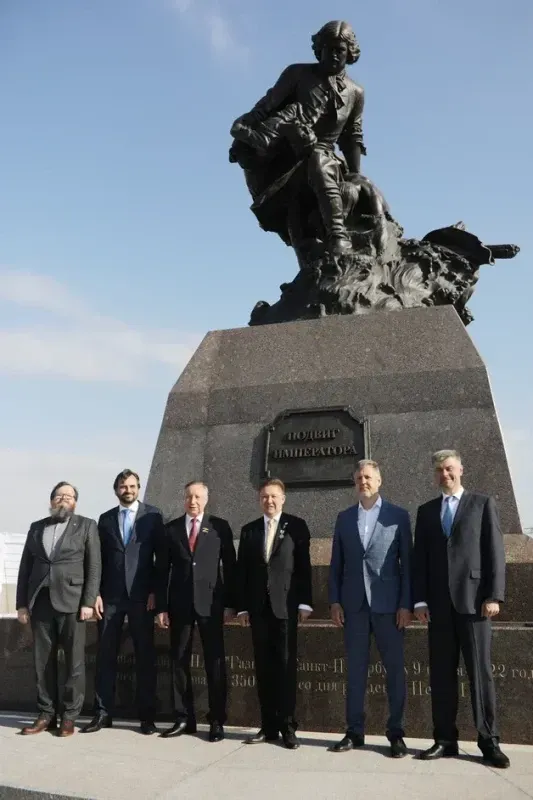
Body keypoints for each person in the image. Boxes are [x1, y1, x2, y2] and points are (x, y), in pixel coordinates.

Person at [229, 20, 366, 255]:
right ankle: (338, 235)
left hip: (327, 160)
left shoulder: (356, 93)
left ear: (349, 52)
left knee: (321, 161)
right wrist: (243, 126)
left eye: (339, 50)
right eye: (328, 48)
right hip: (286, 157)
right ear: (319, 48)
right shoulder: (297, 73)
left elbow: (352, 136)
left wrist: (355, 174)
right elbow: (267, 106)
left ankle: (340, 237)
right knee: (316, 159)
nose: (333, 55)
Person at [413, 450, 510, 768]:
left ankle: (489, 740)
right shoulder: (426, 511)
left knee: (480, 674)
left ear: (461, 470)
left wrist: (494, 595)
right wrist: (420, 600)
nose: (445, 475)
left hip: (475, 604)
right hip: (438, 608)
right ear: (435, 474)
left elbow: (494, 551)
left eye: (450, 468)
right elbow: (421, 560)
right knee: (441, 675)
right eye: (440, 470)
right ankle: (445, 739)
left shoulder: (482, 504)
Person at [328, 460, 412, 757]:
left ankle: (396, 733)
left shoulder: (398, 516)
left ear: (379, 481)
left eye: (368, 477)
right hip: (353, 607)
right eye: (358, 478)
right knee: (355, 672)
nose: (363, 481)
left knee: (394, 673)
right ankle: (354, 732)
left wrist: (406, 604)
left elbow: (407, 566)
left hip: (390, 608)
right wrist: (335, 600)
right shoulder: (344, 518)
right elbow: (336, 563)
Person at [81, 469, 165, 736]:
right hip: (111, 597)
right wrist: (94, 593)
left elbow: (160, 559)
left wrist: (156, 592)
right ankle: (103, 713)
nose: (127, 490)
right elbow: (97, 560)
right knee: (105, 656)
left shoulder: (153, 516)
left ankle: (147, 717)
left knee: (145, 657)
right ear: (116, 490)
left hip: (142, 597)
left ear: (139, 488)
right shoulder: (104, 520)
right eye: (122, 486)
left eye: (131, 486)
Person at [16, 482, 100, 737]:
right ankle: (46, 714)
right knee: (43, 662)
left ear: (75, 502)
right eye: (59, 495)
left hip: (73, 603)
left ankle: (69, 717)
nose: (63, 499)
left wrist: (88, 602)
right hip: (40, 602)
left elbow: (94, 566)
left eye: (69, 495)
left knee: (74, 663)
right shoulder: (36, 527)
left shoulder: (86, 525)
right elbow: (25, 568)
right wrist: (21, 603)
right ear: (51, 500)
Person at [157, 481, 237, 742]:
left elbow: (231, 567)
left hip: (211, 606)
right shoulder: (170, 529)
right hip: (179, 607)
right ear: (184, 499)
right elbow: (161, 572)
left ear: (206, 499)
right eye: (189, 496)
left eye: (198, 497)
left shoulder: (219, 527)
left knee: (214, 662)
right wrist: (161, 607)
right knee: (179, 661)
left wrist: (231, 604)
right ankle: (183, 718)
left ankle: (216, 720)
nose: (193, 501)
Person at [237, 478, 312, 749]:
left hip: (286, 607)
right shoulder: (249, 530)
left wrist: (305, 603)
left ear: (283, 498)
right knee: (264, 668)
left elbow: (304, 567)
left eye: (274, 496)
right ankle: (268, 726)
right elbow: (241, 572)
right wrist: (243, 607)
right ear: (259, 499)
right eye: (265, 496)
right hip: (258, 609)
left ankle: (288, 726)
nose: (269, 501)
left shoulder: (297, 526)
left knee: (285, 666)